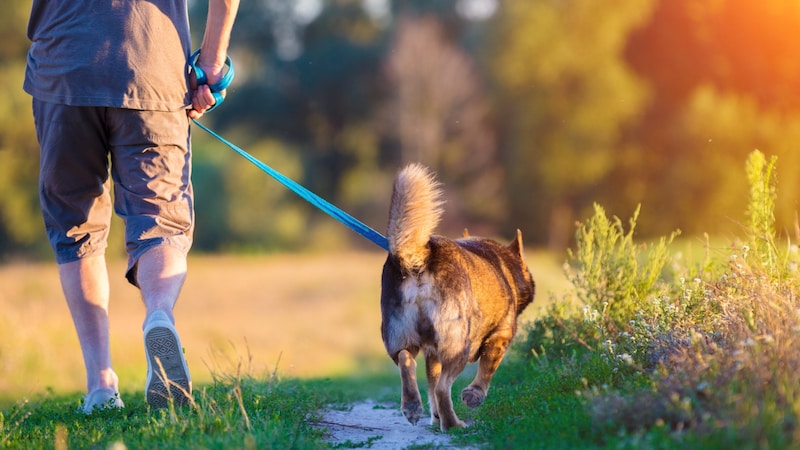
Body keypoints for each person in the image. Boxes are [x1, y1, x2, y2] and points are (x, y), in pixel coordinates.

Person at [23, 0, 239, 413]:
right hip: (150, 66)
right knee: (160, 220)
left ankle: (101, 385)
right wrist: (211, 65)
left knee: (76, 227)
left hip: (61, 67)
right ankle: (159, 317)